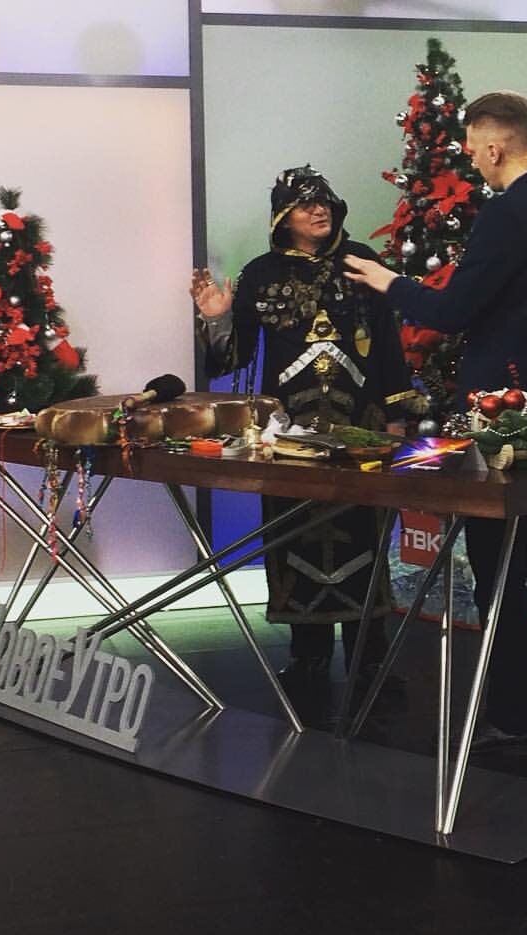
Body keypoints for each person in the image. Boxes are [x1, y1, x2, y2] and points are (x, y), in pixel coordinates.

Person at [344, 92, 527, 753]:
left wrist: (389, 282)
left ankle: (511, 715)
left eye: (474, 150)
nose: (473, 162)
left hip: (495, 421)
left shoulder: (505, 216)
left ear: (493, 146)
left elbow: (452, 310)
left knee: (496, 567)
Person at [192, 164, 416, 687]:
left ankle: (370, 655)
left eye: (325, 202)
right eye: (306, 204)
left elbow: (387, 344)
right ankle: (308, 654)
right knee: (294, 533)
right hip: (289, 434)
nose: (319, 210)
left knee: (365, 536)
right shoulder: (260, 274)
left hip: (360, 429)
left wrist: (397, 417)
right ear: (282, 217)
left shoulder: (363, 263)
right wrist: (217, 317)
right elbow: (230, 360)